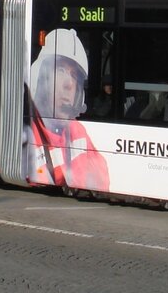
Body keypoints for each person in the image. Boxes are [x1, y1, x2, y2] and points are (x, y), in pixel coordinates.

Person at [26, 28, 109, 192]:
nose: (69, 84)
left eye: (74, 76)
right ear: (41, 78)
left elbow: (101, 180)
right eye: (61, 70)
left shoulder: (77, 131)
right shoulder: (24, 128)